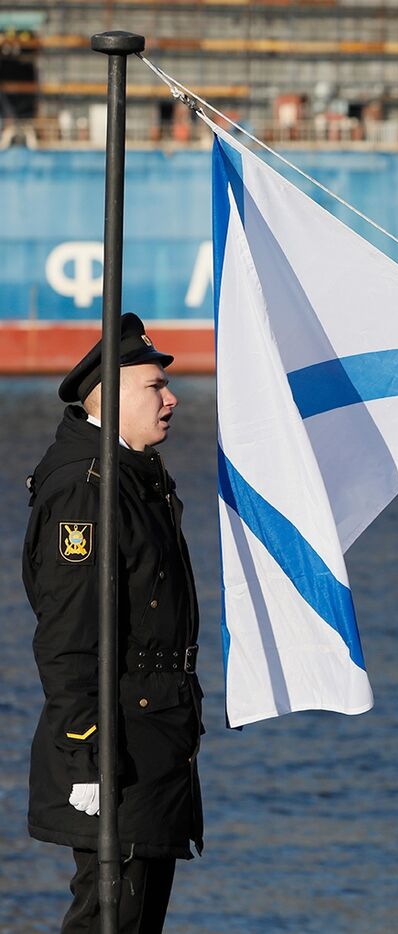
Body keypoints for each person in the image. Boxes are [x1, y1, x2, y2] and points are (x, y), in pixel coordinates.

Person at [23, 313, 203, 934]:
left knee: (135, 917)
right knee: (109, 919)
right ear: (114, 394)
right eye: (155, 385)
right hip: (114, 752)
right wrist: (85, 758)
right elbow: (69, 636)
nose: (172, 397)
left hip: (152, 742)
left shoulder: (133, 475)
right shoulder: (87, 488)